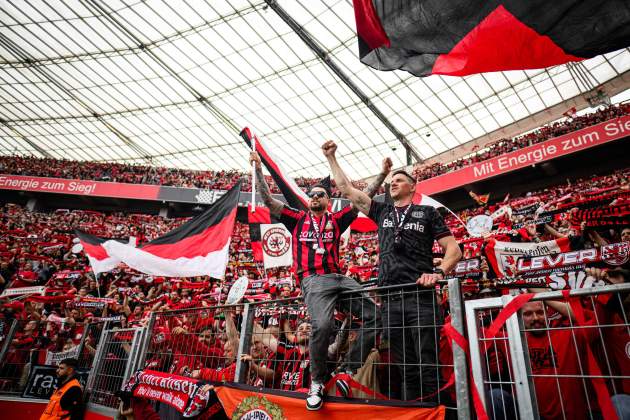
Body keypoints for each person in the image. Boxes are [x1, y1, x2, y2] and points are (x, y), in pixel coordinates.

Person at [323, 140, 462, 401]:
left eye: (399, 179)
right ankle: (415, 415)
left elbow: (454, 250)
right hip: (390, 300)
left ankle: (436, 414)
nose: (393, 183)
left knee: (428, 366)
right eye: (391, 181)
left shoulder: (427, 212)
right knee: (406, 369)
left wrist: (439, 272)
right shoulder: (382, 211)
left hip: (420, 297)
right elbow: (346, 190)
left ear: (413, 186)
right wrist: (331, 158)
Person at [250, 151, 387, 410]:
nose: (314, 197)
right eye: (311, 195)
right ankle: (317, 381)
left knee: (375, 316)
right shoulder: (296, 218)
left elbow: (361, 198)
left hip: (339, 278)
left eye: (319, 194)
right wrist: (258, 168)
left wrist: (382, 174)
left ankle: (347, 370)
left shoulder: (337, 219)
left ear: (328, 199)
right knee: (323, 327)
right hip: (314, 279)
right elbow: (268, 200)